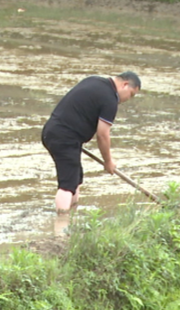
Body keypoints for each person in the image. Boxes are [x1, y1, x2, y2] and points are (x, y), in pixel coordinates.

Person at [42, 72, 141, 215]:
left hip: (53, 131)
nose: (128, 99)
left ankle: (72, 216)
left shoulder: (94, 80)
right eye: (131, 94)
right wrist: (108, 161)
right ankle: (61, 227)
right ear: (125, 85)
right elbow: (102, 134)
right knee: (67, 184)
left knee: (75, 179)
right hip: (65, 138)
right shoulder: (109, 100)